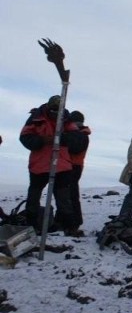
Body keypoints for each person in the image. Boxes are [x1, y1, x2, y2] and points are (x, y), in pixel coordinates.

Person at [19, 95, 87, 236]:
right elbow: (25, 137)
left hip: (61, 164)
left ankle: (70, 226)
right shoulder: (36, 118)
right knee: (34, 196)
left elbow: (77, 138)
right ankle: (31, 225)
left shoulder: (66, 120)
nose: (56, 113)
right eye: (53, 110)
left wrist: (61, 139)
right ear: (49, 107)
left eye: (58, 110)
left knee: (64, 198)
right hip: (39, 164)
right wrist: (41, 141)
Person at [68, 111, 91, 232]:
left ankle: (74, 222)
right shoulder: (83, 134)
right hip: (75, 165)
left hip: (73, 166)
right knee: (69, 194)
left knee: (71, 194)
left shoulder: (81, 135)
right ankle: (70, 221)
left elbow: (75, 149)